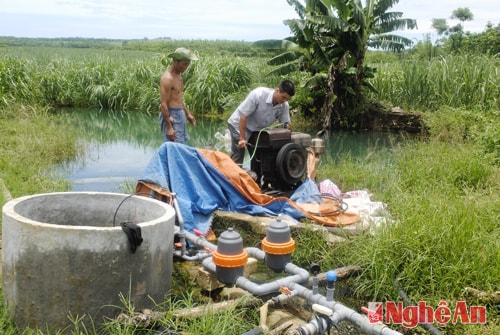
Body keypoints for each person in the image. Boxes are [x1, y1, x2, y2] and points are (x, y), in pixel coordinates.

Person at [227, 80, 295, 165]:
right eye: (283, 97)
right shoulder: (259, 94)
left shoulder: (284, 105)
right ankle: (231, 176)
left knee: (258, 157)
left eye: (287, 99)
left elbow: (285, 125)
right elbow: (243, 116)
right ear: (277, 90)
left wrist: (289, 134)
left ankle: (256, 177)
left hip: (255, 130)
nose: (284, 100)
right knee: (239, 154)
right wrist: (242, 139)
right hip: (238, 124)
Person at [159, 47, 198, 143]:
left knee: (180, 145)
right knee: (174, 147)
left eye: (187, 65)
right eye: (184, 64)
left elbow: (178, 98)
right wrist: (169, 127)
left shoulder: (179, 76)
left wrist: (187, 114)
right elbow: (163, 104)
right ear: (175, 61)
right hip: (171, 115)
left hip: (180, 114)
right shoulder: (168, 78)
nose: (186, 67)